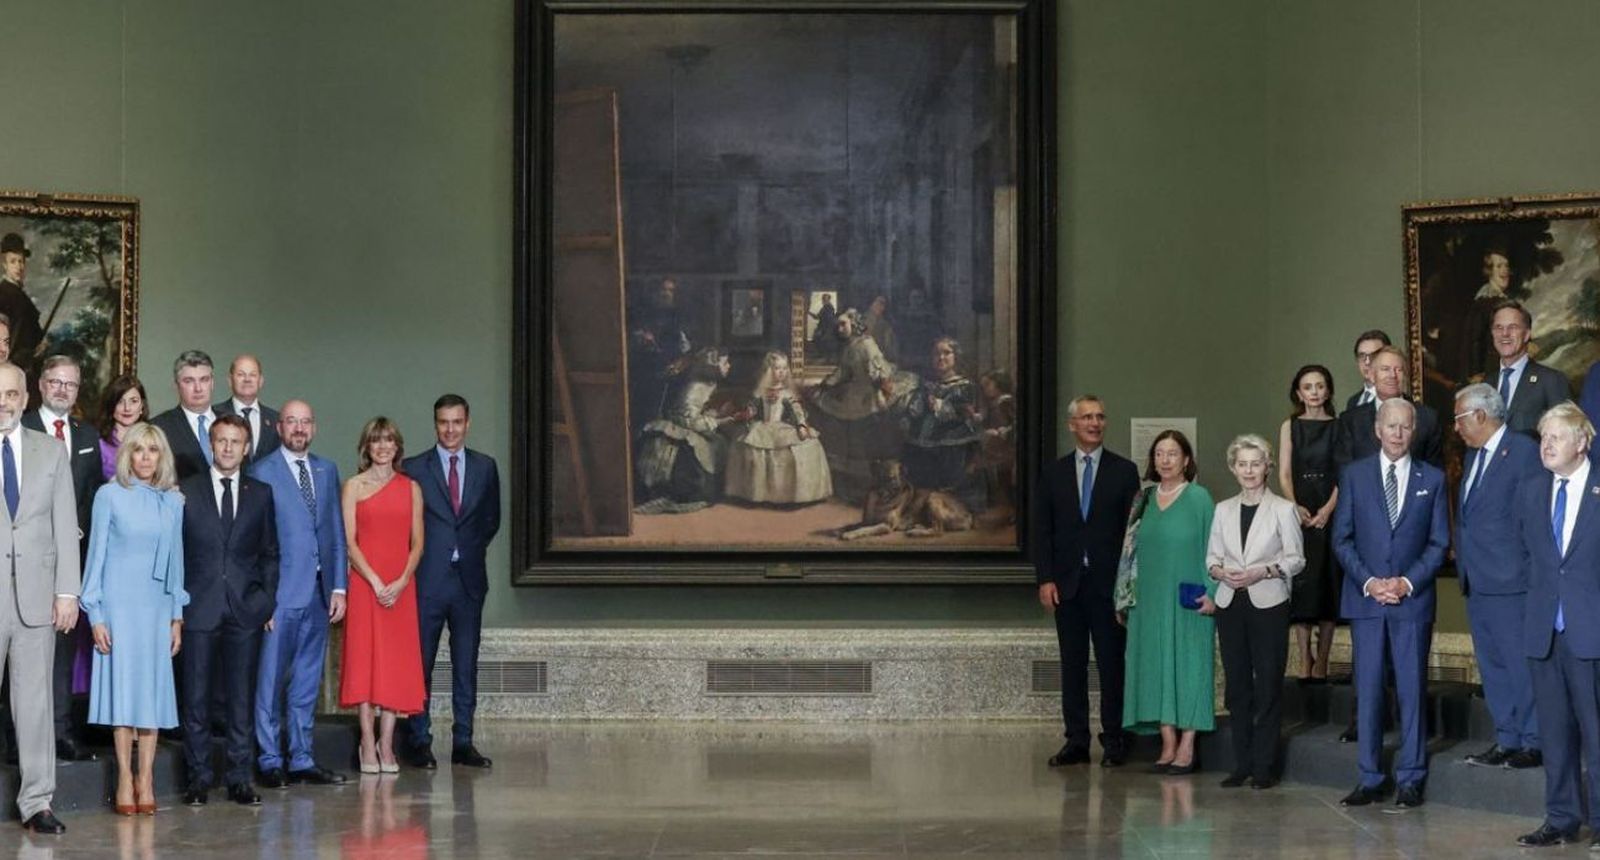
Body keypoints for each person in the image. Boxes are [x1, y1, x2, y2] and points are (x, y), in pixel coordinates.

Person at [1332, 398, 1449, 809]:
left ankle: (1411, 778)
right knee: (1367, 691)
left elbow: (1439, 544)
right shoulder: (1354, 475)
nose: (1397, 434)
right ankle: (1369, 777)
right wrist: (1369, 582)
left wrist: (1404, 582)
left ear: (1412, 431)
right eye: (1390, 426)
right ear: (1377, 430)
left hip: (1411, 603)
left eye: (1405, 427)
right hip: (1366, 601)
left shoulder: (1431, 479)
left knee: (1412, 691)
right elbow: (1341, 538)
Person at [82, 421, 187, 816]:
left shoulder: (172, 502)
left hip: (157, 607)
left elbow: (176, 562)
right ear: (128, 454)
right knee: (123, 694)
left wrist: (176, 616)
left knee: (152, 693)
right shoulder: (109, 495)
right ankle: (125, 777)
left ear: (162, 457)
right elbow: (96, 557)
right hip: (119, 607)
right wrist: (95, 614)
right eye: (139, 450)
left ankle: (147, 778)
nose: (145, 458)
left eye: (153, 450)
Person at [1034, 395, 1140, 768]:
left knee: (1113, 666)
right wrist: (1045, 578)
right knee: (1073, 665)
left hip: (1109, 589)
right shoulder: (1054, 473)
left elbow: (1133, 535)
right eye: (1087, 417)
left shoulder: (1124, 471)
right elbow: (1043, 532)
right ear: (1072, 425)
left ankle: (1115, 740)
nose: (1095, 422)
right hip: (1067, 586)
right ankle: (1076, 741)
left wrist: (1127, 586)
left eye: (1100, 416)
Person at [178, 414, 278, 807]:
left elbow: (270, 553)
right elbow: (177, 553)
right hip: (198, 607)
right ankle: (198, 778)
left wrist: (265, 600)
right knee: (197, 700)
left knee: (240, 699)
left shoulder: (261, 493)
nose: (228, 448)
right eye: (221, 441)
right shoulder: (186, 491)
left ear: (247, 446)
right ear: (211, 444)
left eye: (236, 441)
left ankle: (240, 778)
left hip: (244, 610)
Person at [249, 399, 348, 788]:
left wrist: (339, 586)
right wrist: (262, 599)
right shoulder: (261, 472)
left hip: (320, 594)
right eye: (292, 422)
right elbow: (255, 542)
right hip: (280, 596)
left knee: (307, 681)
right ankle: (270, 758)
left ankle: (302, 758)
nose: (299, 429)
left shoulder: (327, 470)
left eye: (305, 422)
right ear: (279, 427)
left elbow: (336, 534)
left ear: (314, 427)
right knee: (270, 680)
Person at [0, 362, 81, 833]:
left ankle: (37, 803)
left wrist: (66, 591)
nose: (4, 403)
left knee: (34, 706)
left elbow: (64, 527)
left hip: (36, 600)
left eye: (12, 394)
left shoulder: (50, 452)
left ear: (25, 398)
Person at [1515, 404, 1600, 848]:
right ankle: (1561, 818)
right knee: (1554, 733)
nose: (1545, 444)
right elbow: (1528, 556)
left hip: (1592, 632)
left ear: (1583, 442)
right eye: (1543, 436)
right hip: (1545, 631)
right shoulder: (1532, 489)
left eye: (1557, 437)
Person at [403, 394, 501, 770]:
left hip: (469, 582)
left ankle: (464, 741)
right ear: (435, 424)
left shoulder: (485, 467)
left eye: (456, 422)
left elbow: (491, 520)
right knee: (420, 665)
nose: (449, 429)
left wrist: (467, 550)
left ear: (467, 423)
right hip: (428, 581)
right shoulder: (415, 468)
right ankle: (419, 740)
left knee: (466, 665)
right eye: (443, 422)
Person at [1452, 383, 1543, 770]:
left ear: (1479, 415)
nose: (1455, 428)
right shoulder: (1474, 457)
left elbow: (1532, 519)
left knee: (1520, 666)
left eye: (1458, 418)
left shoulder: (1523, 452)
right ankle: (1507, 737)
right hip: (1478, 580)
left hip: (1511, 581)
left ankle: (1534, 740)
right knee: (1493, 666)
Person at [1206, 434, 1304, 789]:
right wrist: (1219, 572)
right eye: (1242, 464)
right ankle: (1242, 763)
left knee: (1267, 685)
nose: (1249, 470)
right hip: (1230, 603)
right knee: (1237, 688)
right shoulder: (1222, 509)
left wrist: (1263, 571)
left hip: (1269, 604)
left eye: (1256, 463)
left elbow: (1296, 559)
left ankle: (1264, 766)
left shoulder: (1283, 509)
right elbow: (1211, 558)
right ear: (1234, 469)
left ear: (1268, 467)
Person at [22, 356, 104, 762]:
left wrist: (78, 533)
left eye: (70, 385)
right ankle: (17, 738)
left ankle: (59, 732)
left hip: (71, 561)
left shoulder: (86, 434)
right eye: (55, 382)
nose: (62, 390)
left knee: (62, 649)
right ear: (40, 385)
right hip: (25, 560)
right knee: (21, 650)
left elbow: (91, 495)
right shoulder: (21, 429)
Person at [1122, 430, 1216, 774]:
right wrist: (1125, 598)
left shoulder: (1199, 498)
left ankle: (1188, 743)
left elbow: (1213, 548)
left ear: (1186, 460)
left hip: (1190, 599)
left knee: (1189, 666)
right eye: (1159, 453)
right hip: (1148, 600)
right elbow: (1129, 555)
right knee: (1155, 666)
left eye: (1172, 453)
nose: (1165, 459)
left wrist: (1213, 594)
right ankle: (1166, 742)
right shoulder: (1143, 499)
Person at [340, 417, 426, 774]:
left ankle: (386, 744)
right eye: (376, 441)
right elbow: (349, 542)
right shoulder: (353, 487)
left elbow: (418, 541)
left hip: (400, 589)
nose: (382, 447)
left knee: (393, 666)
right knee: (365, 662)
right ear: (366, 446)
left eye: (388, 440)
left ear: (397, 446)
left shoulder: (412, 488)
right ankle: (366, 740)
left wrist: (402, 580)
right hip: (365, 585)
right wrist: (375, 581)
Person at [1277, 365, 1340, 682]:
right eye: (1307, 386)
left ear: (1328, 390)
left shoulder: (1339, 426)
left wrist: (1329, 508)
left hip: (1331, 510)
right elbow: (1284, 473)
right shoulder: (1290, 425)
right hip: (1299, 511)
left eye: (1319, 386)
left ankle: (1324, 659)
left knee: (1329, 584)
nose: (1314, 392)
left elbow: (1344, 474)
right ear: (1298, 392)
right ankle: (1304, 658)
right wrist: (1293, 506)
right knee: (1302, 585)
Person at [723, 351, 832, 505]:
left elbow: (797, 411)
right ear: (768, 370)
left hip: (781, 427)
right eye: (777, 368)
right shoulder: (760, 392)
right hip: (763, 426)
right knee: (749, 446)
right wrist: (748, 414)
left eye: (784, 368)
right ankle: (759, 494)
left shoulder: (787, 393)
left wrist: (801, 426)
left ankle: (787, 495)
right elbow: (752, 409)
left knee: (806, 445)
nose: (781, 372)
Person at [634, 347, 735, 513]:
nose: (729, 366)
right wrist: (719, 421)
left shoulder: (708, 383)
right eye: (725, 362)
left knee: (719, 443)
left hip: (690, 424)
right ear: (713, 365)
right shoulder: (697, 387)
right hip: (682, 429)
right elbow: (687, 420)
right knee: (712, 447)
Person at [1334, 347, 1443, 470]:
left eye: (1399, 370)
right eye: (1385, 369)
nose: (1392, 375)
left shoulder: (1428, 418)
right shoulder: (1351, 421)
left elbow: (1434, 473)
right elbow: (1344, 472)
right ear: (1372, 375)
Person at [900, 337, 983, 494]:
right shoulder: (927, 385)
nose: (941, 357)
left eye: (947, 353)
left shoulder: (965, 386)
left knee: (947, 487)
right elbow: (914, 410)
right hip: (923, 444)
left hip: (952, 445)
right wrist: (911, 412)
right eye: (936, 354)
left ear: (956, 357)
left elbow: (964, 413)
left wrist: (938, 405)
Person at [1486, 301, 1571, 437]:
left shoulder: (1552, 381)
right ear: (1492, 334)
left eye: (1512, 327)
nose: (1505, 333)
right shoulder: (1485, 385)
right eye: (1498, 327)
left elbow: (1566, 437)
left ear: (1526, 335)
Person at [150, 350, 218, 481]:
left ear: (212, 383)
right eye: (189, 381)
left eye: (204, 380)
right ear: (176, 386)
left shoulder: (233, 423)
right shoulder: (158, 428)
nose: (198, 388)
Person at [213, 354, 281, 461]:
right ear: (230, 381)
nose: (247, 379)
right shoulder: (214, 415)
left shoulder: (276, 419)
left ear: (261, 381)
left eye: (252, 375)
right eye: (241, 375)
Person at [0, 235, 45, 366]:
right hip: (9, 365)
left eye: (21, 261)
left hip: (27, 365)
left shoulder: (21, 295)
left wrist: (41, 344)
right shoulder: (3, 293)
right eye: (13, 261)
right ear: (4, 265)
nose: (18, 266)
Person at [97, 375, 149, 481]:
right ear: (111, 405)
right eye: (120, 401)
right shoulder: (98, 443)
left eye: (133, 401)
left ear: (142, 406)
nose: (127, 408)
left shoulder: (154, 440)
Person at [1345, 330, 1390, 411]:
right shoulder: (1353, 402)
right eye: (1362, 356)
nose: (1367, 362)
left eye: (1374, 355)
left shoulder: (1398, 400)